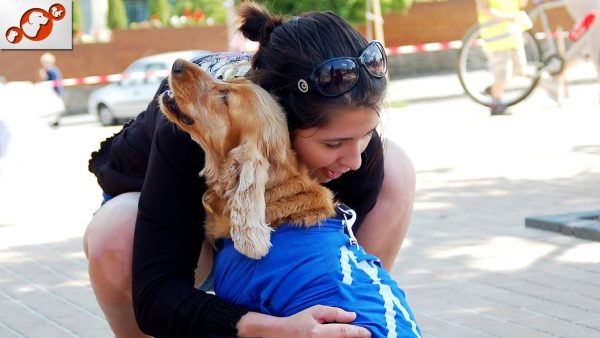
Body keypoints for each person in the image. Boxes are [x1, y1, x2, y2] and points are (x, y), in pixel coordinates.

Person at [83, 2, 416, 337]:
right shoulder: (194, 120)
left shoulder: (353, 140)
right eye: (333, 144)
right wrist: (276, 329)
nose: (354, 160)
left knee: (395, 168)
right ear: (280, 126)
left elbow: (337, 267)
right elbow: (156, 297)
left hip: (279, 225)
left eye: (366, 135)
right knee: (116, 234)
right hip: (183, 223)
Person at [476, 0, 530, 115]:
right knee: (503, 72)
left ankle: (495, 89)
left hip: (513, 35)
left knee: (520, 70)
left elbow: (522, 4)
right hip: (496, 38)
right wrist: (505, 18)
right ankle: (496, 103)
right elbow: (482, 8)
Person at [38, 52, 65, 127]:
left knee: (56, 106)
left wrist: (57, 91)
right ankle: (53, 120)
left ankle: (55, 120)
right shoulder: (48, 70)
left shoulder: (52, 70)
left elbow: (54, 81)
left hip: (53, 91)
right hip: (50, 92)